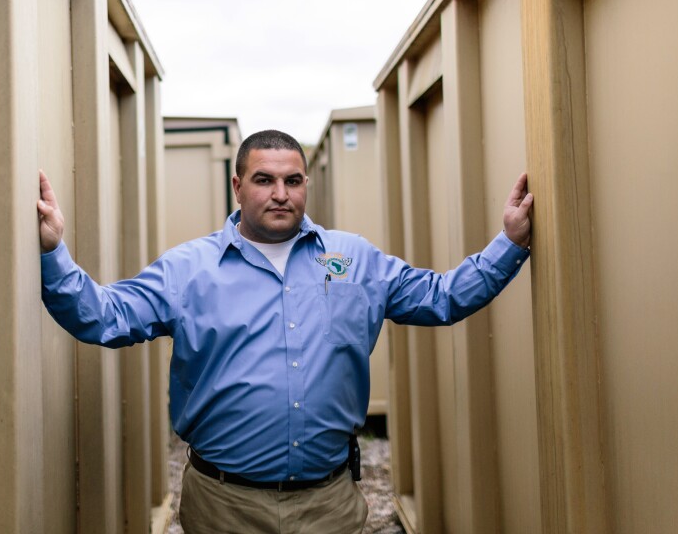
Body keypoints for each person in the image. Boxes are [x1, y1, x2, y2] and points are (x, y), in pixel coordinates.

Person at [37, 129, 533, 534]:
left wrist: (509, 242)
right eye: (264, 180)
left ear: (305, 185)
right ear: (237, 186)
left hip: (328, 505)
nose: (280, 194)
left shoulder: (353, 258)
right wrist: (54, 251)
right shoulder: (188, 269)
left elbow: (442, 298)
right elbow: (103, 317)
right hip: (224, 507)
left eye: (293, 180)